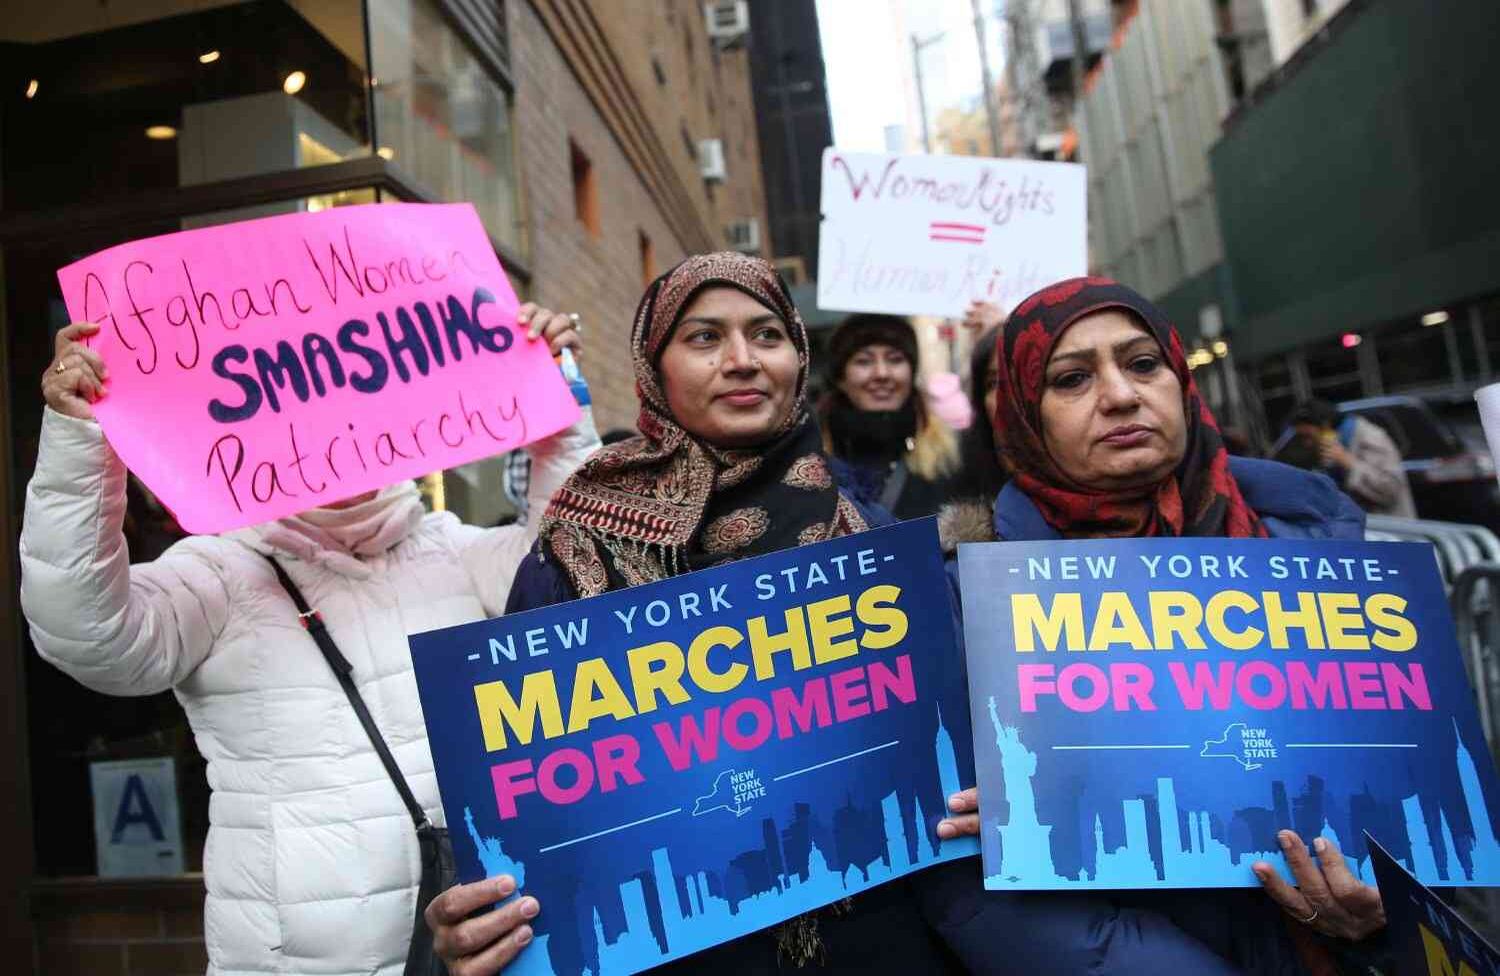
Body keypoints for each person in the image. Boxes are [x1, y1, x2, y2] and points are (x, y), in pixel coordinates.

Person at [20, 305, 597, 976]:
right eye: (305, 419)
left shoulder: (454, 551)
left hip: (479, 952)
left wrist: (556, 406)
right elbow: (84, 634)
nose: (334, 436)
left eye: (358, 412)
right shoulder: (220, 572)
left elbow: (573, 581)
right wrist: (83, 444)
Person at [426, 253, 961, 975]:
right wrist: (486, 915)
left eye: (767, 334)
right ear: (655, 365)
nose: (742, 361)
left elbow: (941, 743)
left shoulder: (866, 535)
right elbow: (526, 796)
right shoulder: (573, 548)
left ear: (798, 359)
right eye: (705, 338)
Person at [928, 277, 1387, 974]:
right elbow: (967, 888)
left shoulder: (1317, 551)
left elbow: (1406, 784)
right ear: (1025, 415)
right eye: (1073, 378)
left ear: (1181, 380)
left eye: (1143, 364)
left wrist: (1383, 906)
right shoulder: (967, 599)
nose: (1119, 395)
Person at [819, 313, 960, 519]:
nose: (882, 373)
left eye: (895, 359)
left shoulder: (951, 459)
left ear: (912, 373)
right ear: (840, 378)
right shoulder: (813, 462)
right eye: (864, 361)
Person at [1277, 398, 1416, 517]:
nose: (1306, 444)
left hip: (1395, 534)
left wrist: (1349, 463)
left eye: (1308, 437)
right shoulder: (1331, 447)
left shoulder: (1370, 438)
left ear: (1326, 426)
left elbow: (1390, 491)